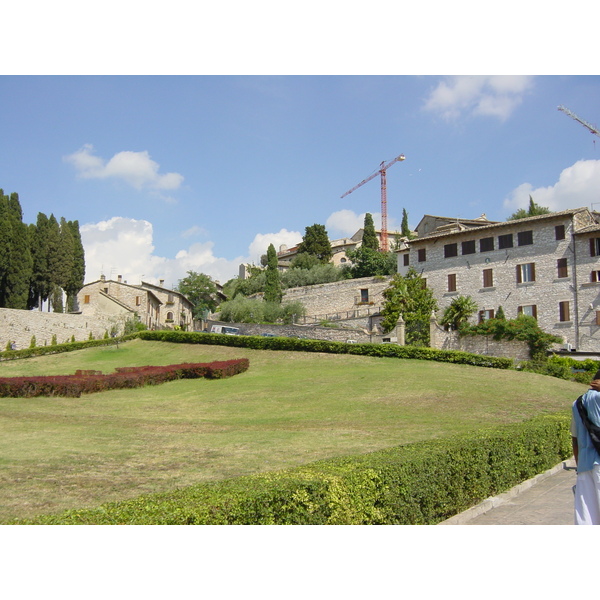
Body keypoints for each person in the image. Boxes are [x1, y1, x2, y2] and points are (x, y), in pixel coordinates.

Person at [571, 373, 600, 525]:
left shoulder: (577, 403)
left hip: (584, 464)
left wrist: (579, 466)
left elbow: (574, 440)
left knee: (586, 516)